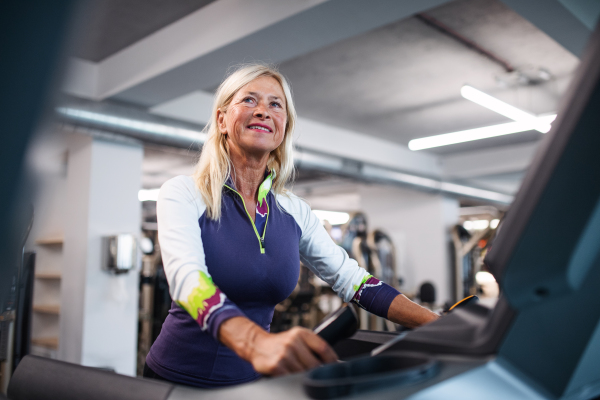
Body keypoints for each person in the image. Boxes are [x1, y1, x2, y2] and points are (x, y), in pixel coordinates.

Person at [143, 64, 439, 388]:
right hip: (175, 381)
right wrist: (256, 343)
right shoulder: (184, 193)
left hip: (251, 383)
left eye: (275, 104)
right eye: (249, 100)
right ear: (222, 120)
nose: (263, 112)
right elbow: (188, 281)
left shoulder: (294, 211)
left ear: (283, 126)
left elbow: (353, 280)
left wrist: (438, 325)